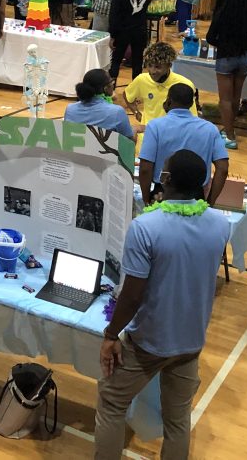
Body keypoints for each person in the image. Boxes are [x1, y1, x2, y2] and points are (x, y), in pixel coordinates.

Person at [94, 149, 230, 460]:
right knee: (178, 420)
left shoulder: (146, 227)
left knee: (112, 404)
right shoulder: (220, 225)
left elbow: (132, 295)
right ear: (203, 185)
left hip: (148, 342)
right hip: (191, 341)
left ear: (165, 180)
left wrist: (111, 335)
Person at [138, 84, 228, 206]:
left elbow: (145, 168)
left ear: (168, 100)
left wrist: (146, 198)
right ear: (192, 104)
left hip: (162, 194)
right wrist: (210, 202)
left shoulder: (155, 126)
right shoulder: (210, 129)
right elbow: (222, 169)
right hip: (196, 196)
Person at [203, 0, 247, 149]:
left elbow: (209, 38)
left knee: (225, 100)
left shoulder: (222, 14)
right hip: (244, 59)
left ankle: (230, 135)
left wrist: (225, 44)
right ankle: (228, 128)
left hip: (225, 58)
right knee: (236, 97)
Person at [63, 68, 134, 139]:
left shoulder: (70, 109)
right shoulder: (117, 112)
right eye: (111, 82)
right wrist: (134, 130)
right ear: (105, 88)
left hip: (78, 149)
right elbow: (129, 142)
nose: (113, 84)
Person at [107, 0, 151, 81]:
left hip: (122, 32)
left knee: (116, 60)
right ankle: (137, 91)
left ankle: (110, 89)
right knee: (138, 61)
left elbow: (113, 17)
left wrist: (112, 36)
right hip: (140, 31)